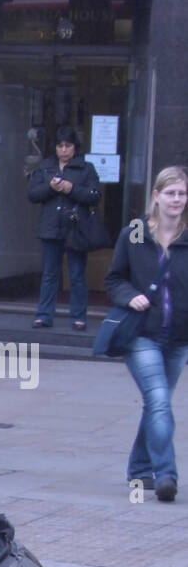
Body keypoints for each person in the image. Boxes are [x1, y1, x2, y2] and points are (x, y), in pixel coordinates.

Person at [104, 165, 188, 502]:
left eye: (182, 194)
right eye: (171, 193)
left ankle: (140, 469)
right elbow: (113, 279)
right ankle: (166, 475)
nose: (177, 200)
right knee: (157, 399)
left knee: (158, 404)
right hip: (142, 335)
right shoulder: (134, 234)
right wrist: (129, 296)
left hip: (179, 338)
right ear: (156, 196)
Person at [27, 124, 102, 331]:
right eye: (60, 146)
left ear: (75, 147)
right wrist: (50, 188)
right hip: (51, 228)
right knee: (50, 274)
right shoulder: (46, 166)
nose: (64, 150)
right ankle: (44, 315)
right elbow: (33, 195)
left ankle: (79, 317)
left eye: (68, 146)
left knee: (77, 275)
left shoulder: (86, 168)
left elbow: (95, 196)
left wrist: (72, 189)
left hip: (76, 229)